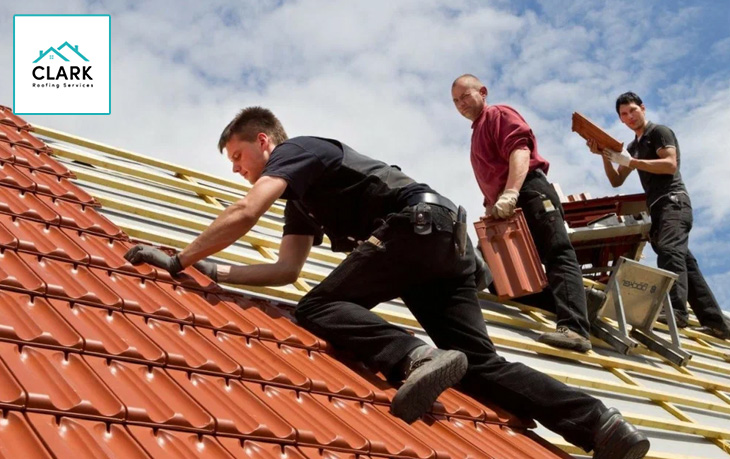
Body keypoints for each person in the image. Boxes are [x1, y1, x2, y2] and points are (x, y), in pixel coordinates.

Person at [125, 106, 649, 458]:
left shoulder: (299, 151)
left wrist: (180, 259)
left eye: (239, 157)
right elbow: (284, 270)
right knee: (479, 367)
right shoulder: (304, 197)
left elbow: (245, 211)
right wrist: (210, 270)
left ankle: (414, 357)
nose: (239, 170)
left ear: (264, 142)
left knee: (316, 309)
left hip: (414, 228)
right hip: (442, 243)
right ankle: (601, 426)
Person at [451, 74, 603, 352]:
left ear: (482, 92)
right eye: (456, 101)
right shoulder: (477, 133)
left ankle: (575, 329)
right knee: (499, 279)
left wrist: (510, 193)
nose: (461, 104)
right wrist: (492, 210)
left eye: (465, 96)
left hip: (528, 190)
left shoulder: (497, 114)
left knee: (556, 252)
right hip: (505, 205)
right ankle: (578, 301)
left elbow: (519, 150)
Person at [587, 92, 730, 340]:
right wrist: (605, 156)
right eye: (624, 114)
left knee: (669, 251)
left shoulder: (659, 132)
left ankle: (676, 311)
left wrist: (631, 162)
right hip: (658, 208)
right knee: (685, 263)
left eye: (632, 110)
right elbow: (616, 180)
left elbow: (670, 164)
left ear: (642, 108)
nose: (629, 116)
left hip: (674, 201)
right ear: (621, 120)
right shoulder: (633, 147)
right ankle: (716, 322)